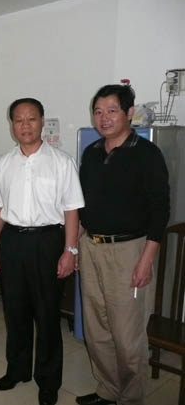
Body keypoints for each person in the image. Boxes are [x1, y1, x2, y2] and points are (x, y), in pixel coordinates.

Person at [77, 85, 170, 405]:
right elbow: (82, 203)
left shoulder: (147, 154)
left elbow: (161, 209)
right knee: (97, 329)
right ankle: (108, 390)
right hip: (91, 246)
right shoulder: (91, 153)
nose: (103, 118)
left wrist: (146, 260)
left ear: (129, 113)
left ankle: (130, 398)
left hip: (129, 251)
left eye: (112, 111)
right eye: (98, 111)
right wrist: (75, 247)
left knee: (127, 336)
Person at [0, 98, 84, 405]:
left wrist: (70, 250)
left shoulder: (61, 162)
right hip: (12, 241)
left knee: (47, 314)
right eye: (18, 120)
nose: (25, 125)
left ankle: (48, 381)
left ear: (42, 121)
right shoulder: (3, 163)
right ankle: (17, 370)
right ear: (12, 125)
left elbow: (71, 209)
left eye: (31, 119)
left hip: (48, 241)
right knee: (14, 311)